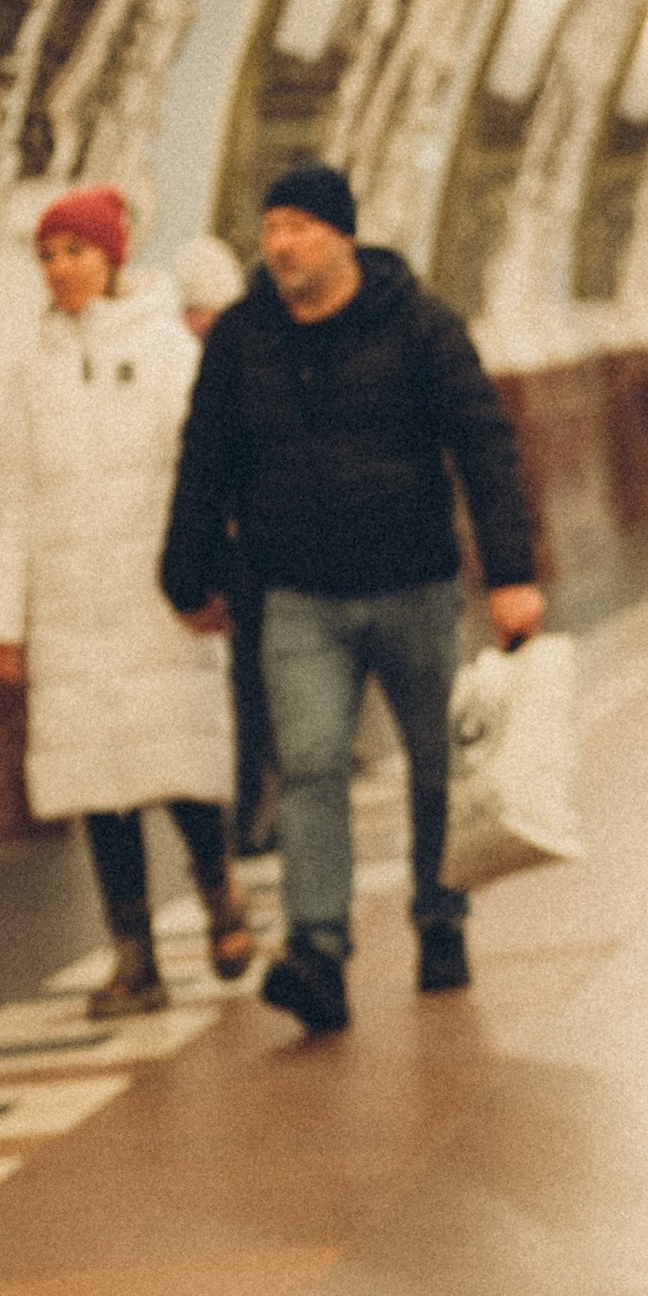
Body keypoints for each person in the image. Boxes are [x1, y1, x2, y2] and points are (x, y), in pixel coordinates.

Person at [159, 161, 545, 1035]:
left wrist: (512, 574)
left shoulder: (418, 322)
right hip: (297, 594)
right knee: (310, 764)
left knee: (437, 761)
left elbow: (484, 446)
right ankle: (319, 952)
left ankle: (440, 916)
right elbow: (203, 458)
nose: (281, 246)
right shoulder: (242, 338)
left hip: (415, 582)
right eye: (271, 230)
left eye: (297, 227)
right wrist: (186, 574)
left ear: (341, 234)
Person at [0, 186, 252, 1017]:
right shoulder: (31, 374)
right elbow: (14, 501)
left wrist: (209, 575)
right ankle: (134, 958)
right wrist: (3, 617)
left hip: (155, 594)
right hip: (68, 609)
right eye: (50, 256)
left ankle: (219, 894)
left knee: (177, 763)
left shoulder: (170, 351)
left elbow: (208, 471)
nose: (62, 270)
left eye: (77, 252)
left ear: (112, 259)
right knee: (95, 781)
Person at [172, 232, 274, 852]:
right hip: (226, 557)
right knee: (247, 690)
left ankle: (260, 808)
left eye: (206, 309)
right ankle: (254, 811)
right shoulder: (191, 362)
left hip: (255, 552)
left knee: (258, 688)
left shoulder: (242, 356)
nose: (198, 322)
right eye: (191, 310)